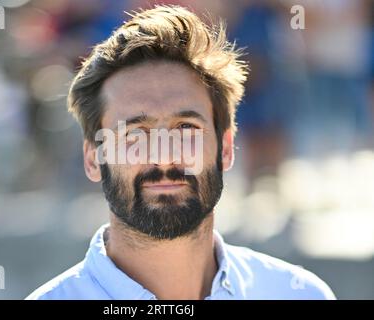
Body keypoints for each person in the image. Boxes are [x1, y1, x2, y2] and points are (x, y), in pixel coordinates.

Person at [26, 5, 335, 300]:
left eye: (186, 129)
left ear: (225, 149)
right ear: (93, 158)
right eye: (135, 134)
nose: (163, 156)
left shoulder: (299, 294)